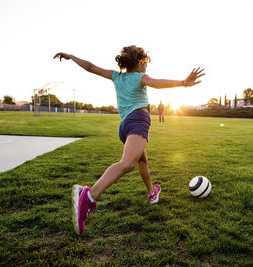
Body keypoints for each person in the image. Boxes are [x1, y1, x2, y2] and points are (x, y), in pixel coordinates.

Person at [53, 45, 205, 234]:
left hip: (125, 125)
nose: (147, 68)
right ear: (140, 63)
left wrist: (71, 56)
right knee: (128, 163)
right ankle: (89, 196)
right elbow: (156, 83)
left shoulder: (117, 77)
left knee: (142, 160)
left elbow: (91, 67)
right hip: (138, 121)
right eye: (146, 64)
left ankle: (152, 192)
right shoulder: (140, 77)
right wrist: (183, 82)